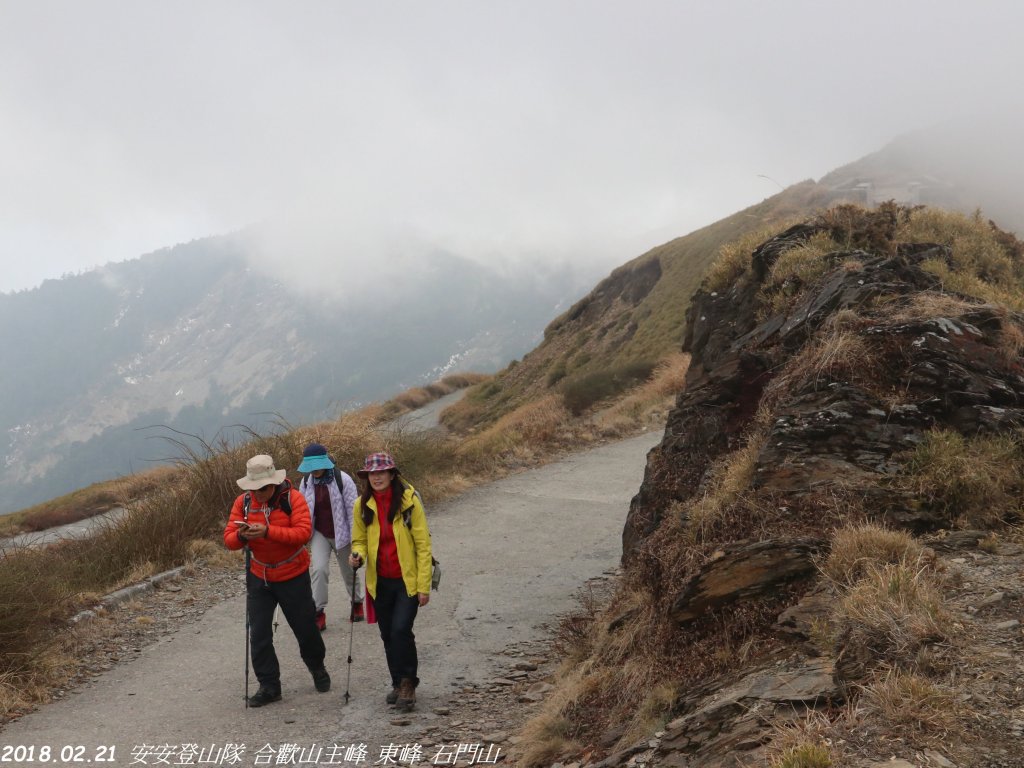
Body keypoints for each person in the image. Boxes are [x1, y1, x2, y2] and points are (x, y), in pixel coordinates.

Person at [223, 454, 330, 707]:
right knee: (258, 633)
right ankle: (269, 686)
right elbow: (228, 540)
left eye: (263, 488)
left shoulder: (293, 499)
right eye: (254, 488)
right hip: (259, 576)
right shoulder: (243, 503)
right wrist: (241, 535)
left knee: (305, 628)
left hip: (293, 574)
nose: (258, 493)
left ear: (273, 483)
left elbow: (303, 533)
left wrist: (268, 531)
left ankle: (317, 667)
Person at [348, 452, 432, 712]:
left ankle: (409, 683)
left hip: (407, 580)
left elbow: (423, 544)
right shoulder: (362, 505)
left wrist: (424, 586)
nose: (377, 477)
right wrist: (358, 555)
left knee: (400, 631)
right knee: (387, 634)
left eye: (382, 472)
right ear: (366, 478)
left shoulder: (409, 502)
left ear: (392, 474)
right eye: (372, 473)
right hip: (379, 581)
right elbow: (359, 540)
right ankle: (397, 682)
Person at [297, 442, 364, 630]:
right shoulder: (305, 482)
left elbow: (353, 511)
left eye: (317, 465)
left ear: (325, 462)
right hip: (319, 532)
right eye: (311, 466)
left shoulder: (343, 480)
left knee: (349, 569)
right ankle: (318, 612)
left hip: (342, 532)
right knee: (318, 570)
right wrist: (300, 535)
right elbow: (302, 511)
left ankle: (357, 603)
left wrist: (355, 539)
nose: (315, 470)